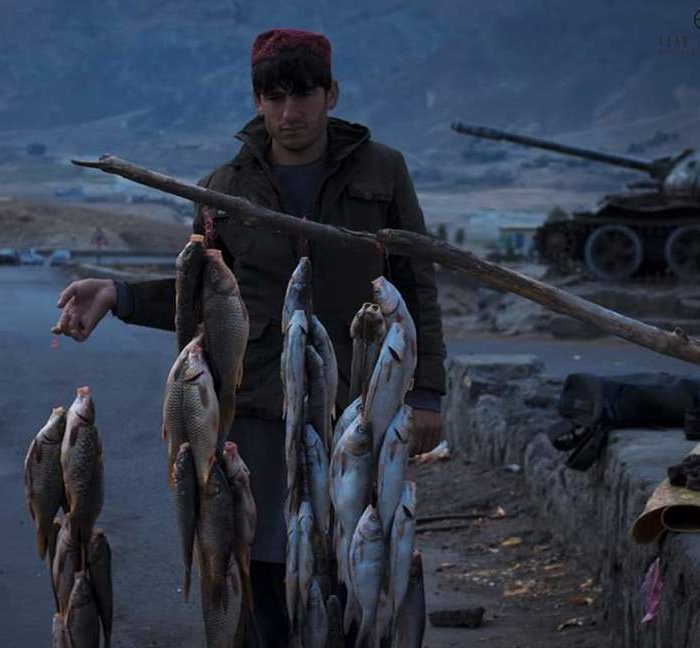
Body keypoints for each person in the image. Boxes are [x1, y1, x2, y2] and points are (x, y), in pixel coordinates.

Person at [53, 28, 446, 647]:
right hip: (257, 411)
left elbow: (417, 285)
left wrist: (427, 393)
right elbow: (203, 296)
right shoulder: (223, 187)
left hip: (355, 412)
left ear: (332, 94)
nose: (291, 113)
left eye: (305, 95)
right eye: (275, 96)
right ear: (258, 100)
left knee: (350, 562)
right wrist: (118, 295)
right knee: (261, 568)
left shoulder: (383, 170)